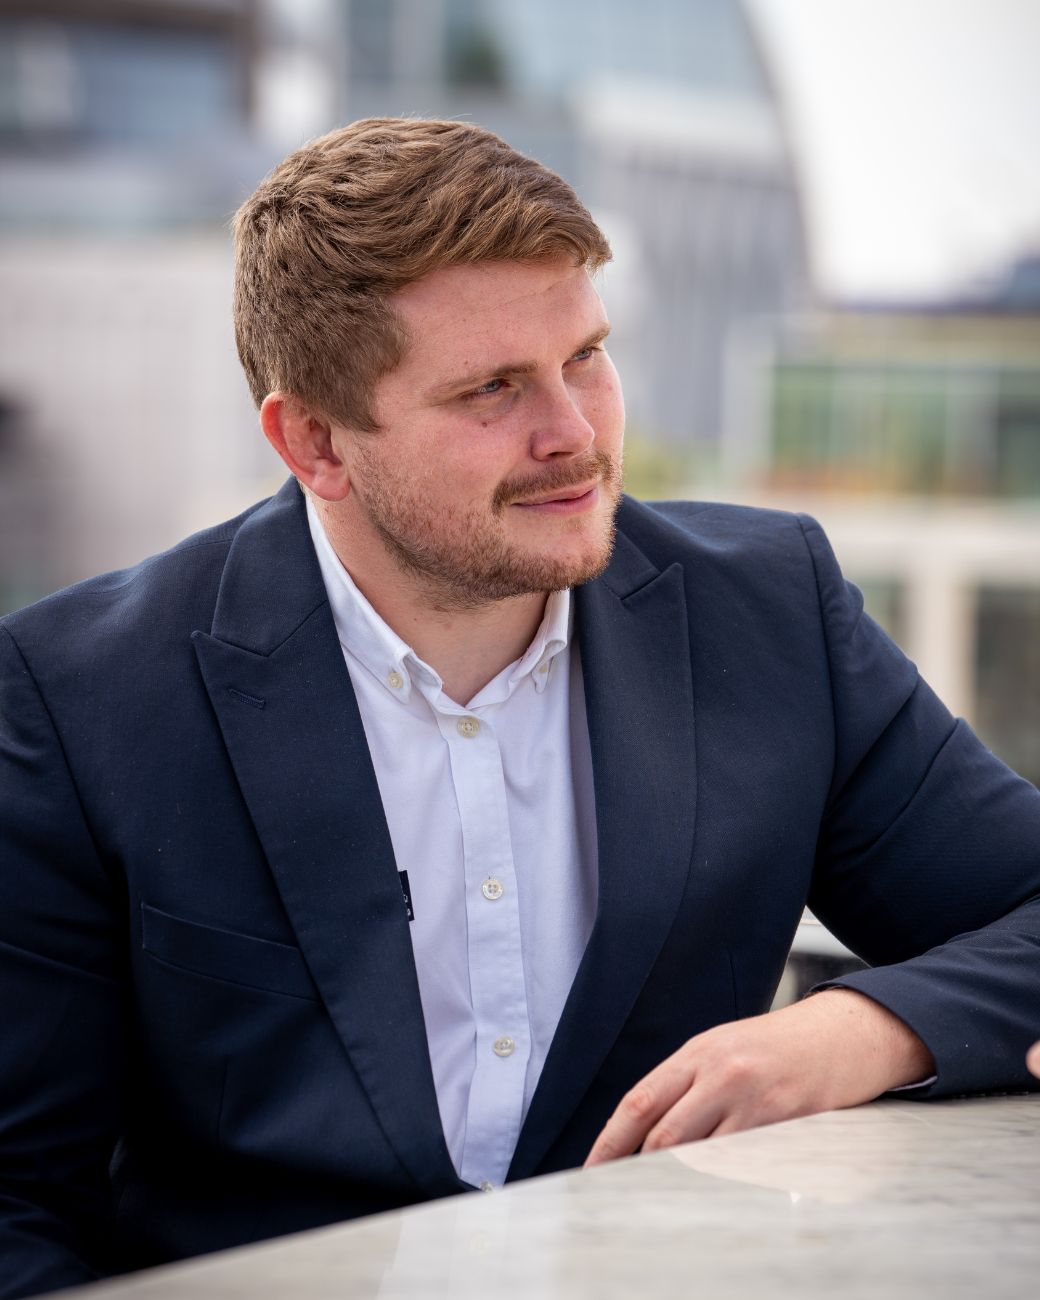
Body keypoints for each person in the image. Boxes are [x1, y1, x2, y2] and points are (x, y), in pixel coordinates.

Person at [1, 118, 1038, 1299]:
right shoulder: (82, 697)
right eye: (491, 389)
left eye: (586, 356)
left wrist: (857, 1029)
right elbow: (13, 1200)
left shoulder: (768, 615)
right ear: (315, 442)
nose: (575, 435)